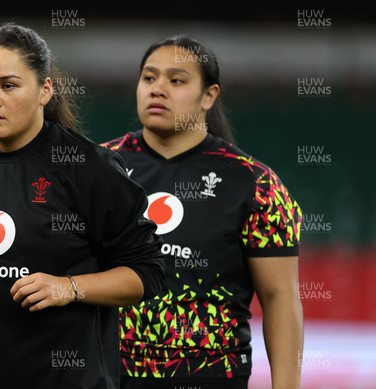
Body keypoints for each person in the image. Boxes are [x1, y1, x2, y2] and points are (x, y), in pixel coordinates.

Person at [0, 22, 165, 389]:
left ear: (45, 90)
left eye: (8, 85)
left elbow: (147, 273)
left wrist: (69, 287)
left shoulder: (89, 169)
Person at [101, 34, 304, 389]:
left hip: (211, 376)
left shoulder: (255, 183)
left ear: (209, 95)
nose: (157, 89)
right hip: (108, 374)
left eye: (176, 80)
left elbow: (280, 298)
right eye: (149, 78)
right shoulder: (98, 169)